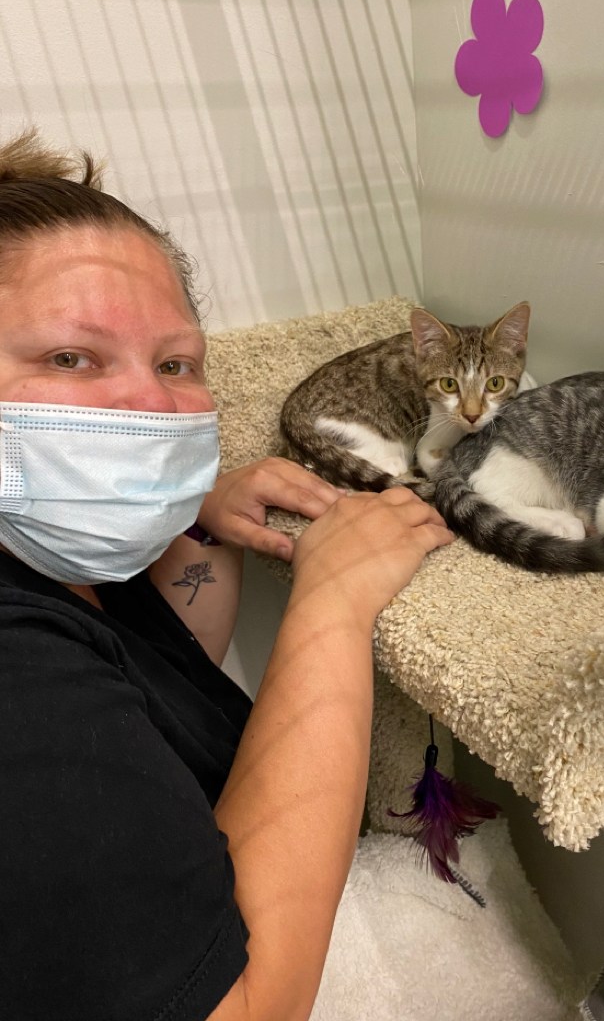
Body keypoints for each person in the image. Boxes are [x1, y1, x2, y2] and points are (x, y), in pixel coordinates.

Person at [0, 128, 453, 1021]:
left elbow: (159, 692)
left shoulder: (62, 557)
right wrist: (333, 602)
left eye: (176, 364)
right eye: (70, 357)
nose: (150, 404)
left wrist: (187, 518)